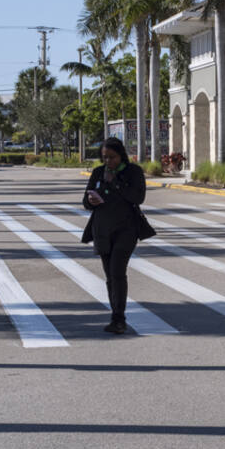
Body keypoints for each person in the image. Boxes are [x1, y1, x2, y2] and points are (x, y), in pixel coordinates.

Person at [81, 136, 149, 334]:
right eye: (105, 158)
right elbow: (85, 201)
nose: (108, 162)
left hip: (126, 229)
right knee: (110, 275)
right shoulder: (98, 172)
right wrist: (91, 200)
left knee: (118, 271)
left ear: (121, 156)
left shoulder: (133, 172)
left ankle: (119, 318)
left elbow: (138, 197)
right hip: (102, 230)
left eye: (112, 157)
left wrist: (116, 183)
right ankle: (115, 313)